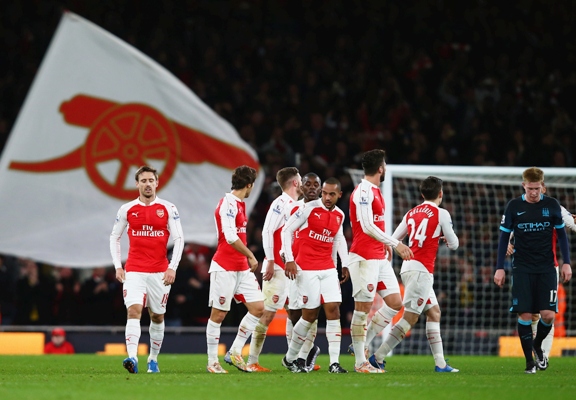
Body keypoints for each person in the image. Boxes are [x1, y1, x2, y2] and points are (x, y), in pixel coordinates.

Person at [368, 176, 459, 372]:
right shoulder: (441, 214)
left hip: (408, 268)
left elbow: (393, 239)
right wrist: (442, 236)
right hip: (421, 272)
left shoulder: (411, 213)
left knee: (434, 313)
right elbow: (454, 245)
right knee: (410, 317)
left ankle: (440, 363)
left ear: (422, 194)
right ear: (440, 193)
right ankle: (378, 356)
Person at [494, 167, 572, 374]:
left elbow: (562, 236)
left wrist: (567, 263)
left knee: (548, 315)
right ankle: (529, 362)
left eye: (537, 188)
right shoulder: (514, 206)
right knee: (525, 314)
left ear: (542, 186)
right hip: (522, 268)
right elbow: (503, 238)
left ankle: (537, 346)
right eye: (530, 189)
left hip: (547, 268)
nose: (534, 192)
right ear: (524, 186)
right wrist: (499, 267)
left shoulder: (552, 205)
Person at [110, 165, 184, 374]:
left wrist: (172, 267)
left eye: (151, 180)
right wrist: (118, 266)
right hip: (134, 270)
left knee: (157, 316)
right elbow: (114, 237)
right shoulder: (127, 209)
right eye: (143, 181)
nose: (147, 184)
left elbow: (179, 238)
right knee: (133, 310)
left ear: (157, 182)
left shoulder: (168, 208)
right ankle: (132, 358)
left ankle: (152, 358)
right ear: (137, 184)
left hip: (160, 272)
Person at [347, 149, 413, 373]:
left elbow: (375, 225)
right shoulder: (363, 191)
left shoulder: (376, 190)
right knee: (363, 308)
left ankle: (362, 345)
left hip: (379, 256)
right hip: (364, 257)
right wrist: (395, 243)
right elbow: (366, 226)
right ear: (380, 168)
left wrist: (385, 242)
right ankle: (359, 362)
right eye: (384, 164)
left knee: (395, 302)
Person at [281, 177, 350, 374]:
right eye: (325, 193)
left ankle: (334, 363)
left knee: (333, 310)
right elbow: (287, 230)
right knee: (309, 315)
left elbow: (338, 237)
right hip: (306, 268)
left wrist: (344, 264)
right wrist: (290, 259)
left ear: (339, 195)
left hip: (327, 268)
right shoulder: (309, 208)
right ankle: (290, 358)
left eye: (332, 194)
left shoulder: (339, 214)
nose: (327, 197)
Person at [206, 165, 264, 374]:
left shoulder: (239, 204)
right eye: (252, 186)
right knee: (218, 314)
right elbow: (230, 236)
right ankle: (212, 362)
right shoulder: (227, 204)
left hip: (241, 268)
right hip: (225, 267)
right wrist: (250, 254)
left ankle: (235, 352)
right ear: (248, 185)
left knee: (258, 308)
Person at [244, 167, 302, 372]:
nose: (302, 183)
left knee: (293, 312)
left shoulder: (298, 205)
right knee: (267, 315)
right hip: (277, 267)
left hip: (291, 268)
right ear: (295, 182)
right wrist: (269, 259)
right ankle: (251, 361)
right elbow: (268, 230)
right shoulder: (280, 203)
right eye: (301, 180)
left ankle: (293, 358)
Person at [285, 172, 324, 372]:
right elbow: (286, 234)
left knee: (311, 311)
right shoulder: (294, 208)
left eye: (315, 184)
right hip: (295, 266)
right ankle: (305, 353)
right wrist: (286, 256)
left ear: (320, 188)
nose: (310, 187)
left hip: (315, 268)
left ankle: (303, 357)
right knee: (293, 312)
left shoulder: (326, 209)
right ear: (301, 187)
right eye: (307, 184)